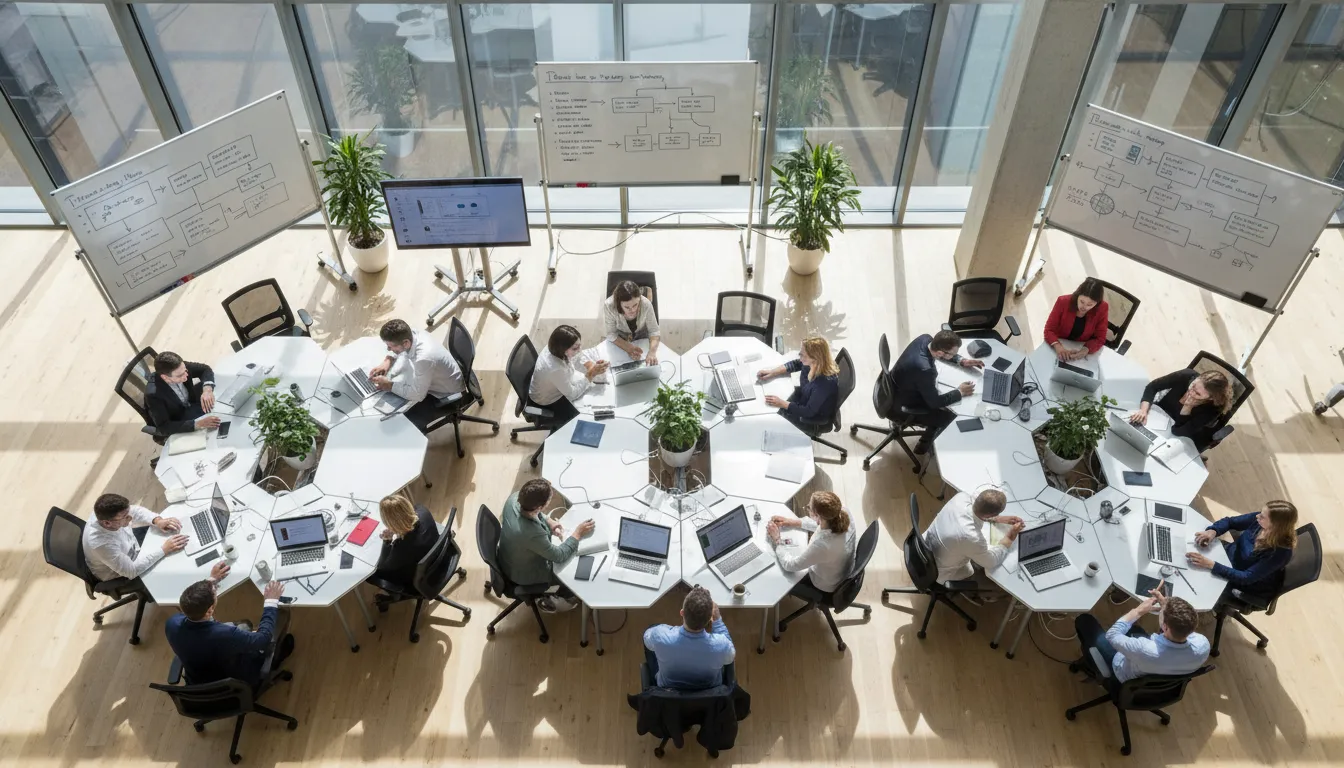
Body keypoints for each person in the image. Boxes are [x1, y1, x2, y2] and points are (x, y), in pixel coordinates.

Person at [165, 573, 294, 688]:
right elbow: (263, 639)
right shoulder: (225, 634)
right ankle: (275, 659)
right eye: (215, 594)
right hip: (234, 681)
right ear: (209, 610)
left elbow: (194, 606)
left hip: (198, 682)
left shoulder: (172, 623)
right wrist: (271, 601)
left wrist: (211, 581)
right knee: (273, 628)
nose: (216, 592)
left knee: (244, 625)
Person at [497, 479, 594, 613]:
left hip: (508, 556)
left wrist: (549, 521)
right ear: (540, 507)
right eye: (549, 498)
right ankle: (562, 596)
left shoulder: (515, 498)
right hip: (523, 574)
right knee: (573, 571)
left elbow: (533, 511)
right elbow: (559, 556)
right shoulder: (531, 533)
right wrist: (578, 533)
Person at [1074, 588, 1209, 683]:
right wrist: (1166, 607)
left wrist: (1138, 611)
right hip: (1157, 675)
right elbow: (1180, 627)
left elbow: (1112, 635)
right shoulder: (1203, 645)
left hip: (1122, 671)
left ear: (1165, 627)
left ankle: (1089, 664)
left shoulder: (1145, 649)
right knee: (1136, 629)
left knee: (1084, 620)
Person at [890, 330, 984, 453]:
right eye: (952, 354)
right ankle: (924, 446)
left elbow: (943, 354)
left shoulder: (925, 338)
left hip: (894, 387)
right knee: (950, 416)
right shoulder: (925, 369)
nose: (954, 355)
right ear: (940, 353)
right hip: (901, 406)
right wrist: (960, 392)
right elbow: (934, 403)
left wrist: (961, 361)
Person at [923, 489, 1024, 599]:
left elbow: (978, 509)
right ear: (991, 514)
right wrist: (1010, 537)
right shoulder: (971, 537)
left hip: (925, 548)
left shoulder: (960, 497)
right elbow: (991, 561)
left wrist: (998, 519)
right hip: (938, 572)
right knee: (1001, 584)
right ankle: (971, 594)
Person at [369, 319, 465, 432]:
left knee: (402, 423)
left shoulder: (424, 358)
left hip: (449, 395)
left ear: (406, 343)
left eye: (390, 346)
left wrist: (389, 385)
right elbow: (404, 353)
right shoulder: (413, 334)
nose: (388, 349)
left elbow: (418, 395)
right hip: (440, 378)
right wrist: (388, 361)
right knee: (400, 385)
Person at [1186, 500, 1298, 596]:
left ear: (1275, 525)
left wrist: (1210, 564)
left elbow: (1246, 578)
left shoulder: (1280, 553)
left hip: (1239, 580)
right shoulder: (1259, 521)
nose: (1257, 516)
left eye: (1262, 516)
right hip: (1226, 556)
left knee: (1191, 582)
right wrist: (1213, 531)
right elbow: (1230, 522)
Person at [643, 586, 736, 690]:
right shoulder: (721, 645)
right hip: (708, 693)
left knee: (652, 629)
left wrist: (668, 630)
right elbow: (730, 657)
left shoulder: (660, 635)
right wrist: (718, 620)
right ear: (710, 618)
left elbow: (647, 640)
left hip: (668, 691)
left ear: (682, 613)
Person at [766, 491, 856, 599]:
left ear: (817, 516)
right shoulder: (843, 512)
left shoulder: (823, 546)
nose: (807, 508)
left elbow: (791, 565)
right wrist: (792, 522)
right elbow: (824, 525)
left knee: (778, 573)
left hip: (826, 584)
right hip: (843, 570)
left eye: (809, 508)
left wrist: (777, 540)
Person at [81, 493, 188, 582]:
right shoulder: (101, 544)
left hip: (130, 545)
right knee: (171, 568)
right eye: (125, 517)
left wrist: (157, 520)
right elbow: (131, 571)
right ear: (107, 523)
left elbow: (135, 511)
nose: (131, 518)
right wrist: (164, 549)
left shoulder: (105, 513)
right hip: (118, 573)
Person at [1128, 368, 1232, 451]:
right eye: (1193, 386)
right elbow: (1153, 386)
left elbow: (1179, 431)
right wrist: (1143, 410)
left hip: (1173, 437)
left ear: (1210, 398)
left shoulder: (1213, 409)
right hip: (1154, 419)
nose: (1191, 392)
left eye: (1198, 394)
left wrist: (1187, 408)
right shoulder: (1186, 376)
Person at [528, 325, 608, 425]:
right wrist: (591, 374)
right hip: (547, 400)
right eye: (575, 348)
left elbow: (576, 357)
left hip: (555, 383)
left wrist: (591, 365)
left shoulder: (555, 348)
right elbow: (572, 394)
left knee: (590, 385)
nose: (579, 350)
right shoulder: (555, 369)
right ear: (563, 349)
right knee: (588, 414)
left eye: (579, 345)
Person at [758, 337, 841, 429]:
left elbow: (808, 411)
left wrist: (781, 403)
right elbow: (796, 364)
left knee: (768, 418)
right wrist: (772, 372)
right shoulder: (814, 363)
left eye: (803, 356)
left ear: (815, 358)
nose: (800, 358)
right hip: (804, 398)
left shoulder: (824, 384)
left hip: (810, 417)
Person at [370, 495, 439, 594]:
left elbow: (382, 568)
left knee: (372, 576)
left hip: (418, 580)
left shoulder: (402, 548)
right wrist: (397, 529)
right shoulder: (422, 511)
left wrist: (387, 541)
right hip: (437, 558)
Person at [145, 351, 219, 435]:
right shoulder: (153, 394)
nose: (186, 376)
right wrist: (197, 424)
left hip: (192, 404)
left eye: (186, 371)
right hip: (181, 419)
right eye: (180, 376)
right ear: (165, 377)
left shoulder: (180, 367)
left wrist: (207, 390)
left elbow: (205, 369)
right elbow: (164, 426)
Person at [1044, 278, 1110, 360]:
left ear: (1097, 304)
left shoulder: (1102, 308)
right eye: (1082, 302)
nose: (1084, 307)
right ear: (1077, 295)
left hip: (1080, 347)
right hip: (1060, 343)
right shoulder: (1063, 302)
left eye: (1090, 305)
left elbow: (1100, 338)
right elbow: (1049, 330)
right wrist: (1057, 346)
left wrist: (1086, 349)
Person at [603, 280, 661, 366]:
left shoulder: (645, 303)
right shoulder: (609, 305)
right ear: (619, 304)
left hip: (642, 336)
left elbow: (654, 331)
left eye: (635, 305)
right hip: (620, 339)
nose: (632, 310)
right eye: (627, 307)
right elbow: (611, 333)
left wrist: (652, 352)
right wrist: (628, 348)